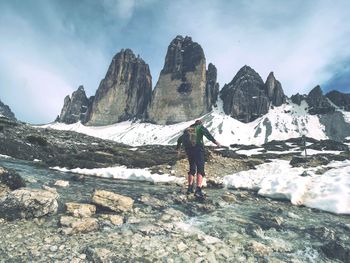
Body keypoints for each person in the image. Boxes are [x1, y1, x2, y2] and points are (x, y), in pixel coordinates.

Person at [176, 119, 221, 198]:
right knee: (200, 168)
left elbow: (179, 140)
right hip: (198, 149)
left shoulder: (188, 130)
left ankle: (190, 188)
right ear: (200, 123)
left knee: (192, 168)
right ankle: (198, 189)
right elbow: (207, 134)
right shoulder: (200, 127)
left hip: (189, 150)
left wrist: (177, 148)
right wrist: (215, 142)